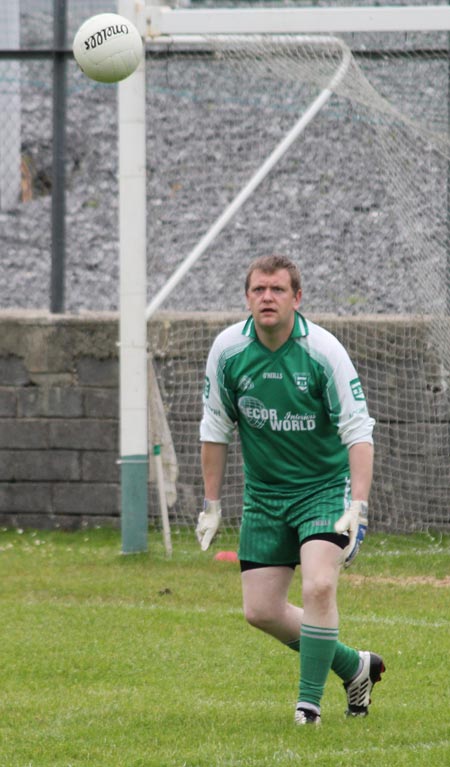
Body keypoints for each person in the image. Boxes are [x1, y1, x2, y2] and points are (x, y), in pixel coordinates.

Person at [196, 254, 385, 726]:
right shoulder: (227, 351)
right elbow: (215, 428)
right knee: (260, 610)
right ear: (247, 297)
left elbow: (359, 431)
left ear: (297, 299)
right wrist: (212, 503)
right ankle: (353, 665)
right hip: (264, 496)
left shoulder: (323, 351)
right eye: (259, 289)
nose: (267, 297)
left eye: (277, 290)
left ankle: (308, 707)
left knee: (319, 584)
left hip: (324, 490)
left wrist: (357, 503)